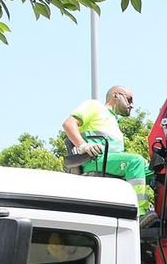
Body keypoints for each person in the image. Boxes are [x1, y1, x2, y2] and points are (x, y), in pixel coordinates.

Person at [62, 85, 154, 219]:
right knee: (135, 161)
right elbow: (68, 124)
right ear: (116, 95)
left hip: (109, 162)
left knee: (158, 170)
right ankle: (140, 214)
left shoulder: (114, 122)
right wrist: (83, 145)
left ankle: (158, 215)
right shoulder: (94, 106)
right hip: (94, 160)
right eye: (129, 100)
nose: (132, 105)